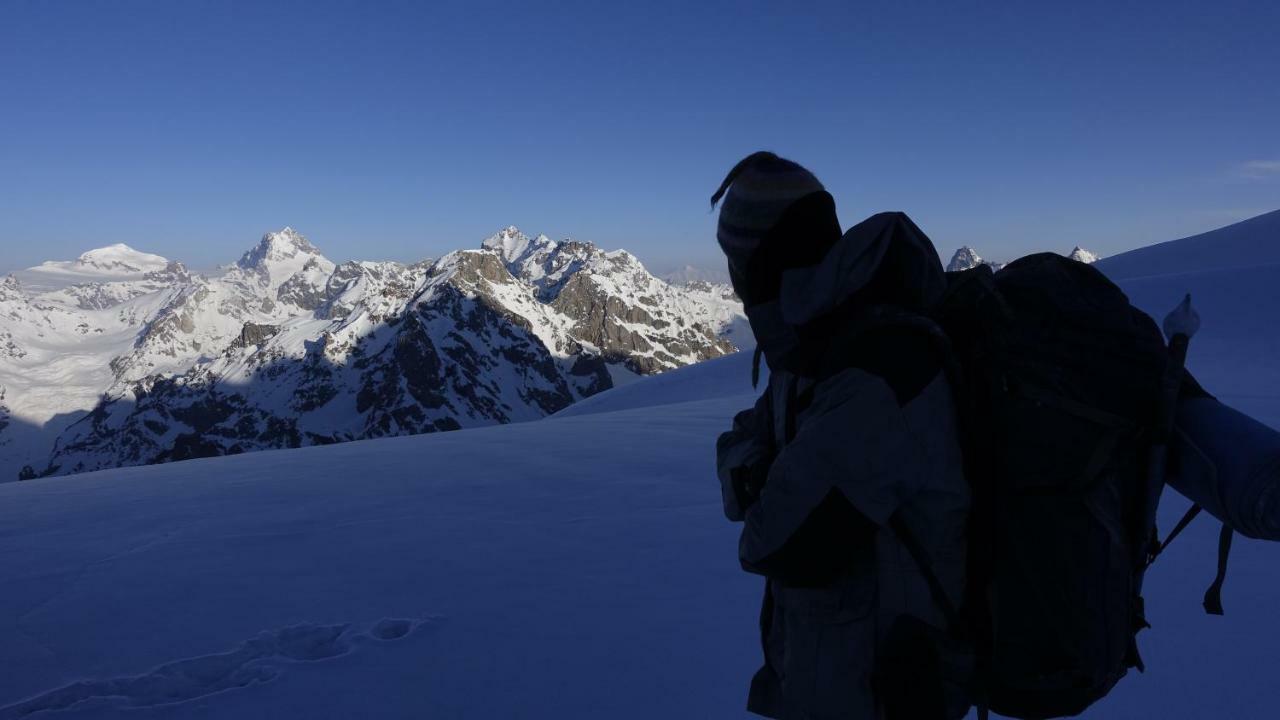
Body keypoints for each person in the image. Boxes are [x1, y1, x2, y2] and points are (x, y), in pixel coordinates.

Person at [713, 152, 971, 719]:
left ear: (762, 263)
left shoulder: (878, 370)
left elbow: (775, 543)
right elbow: (742, 440)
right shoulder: (813, 352)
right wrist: (762, 472)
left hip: (888, 694)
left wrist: (758, 476)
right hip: (830, 679)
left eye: (736, 264)